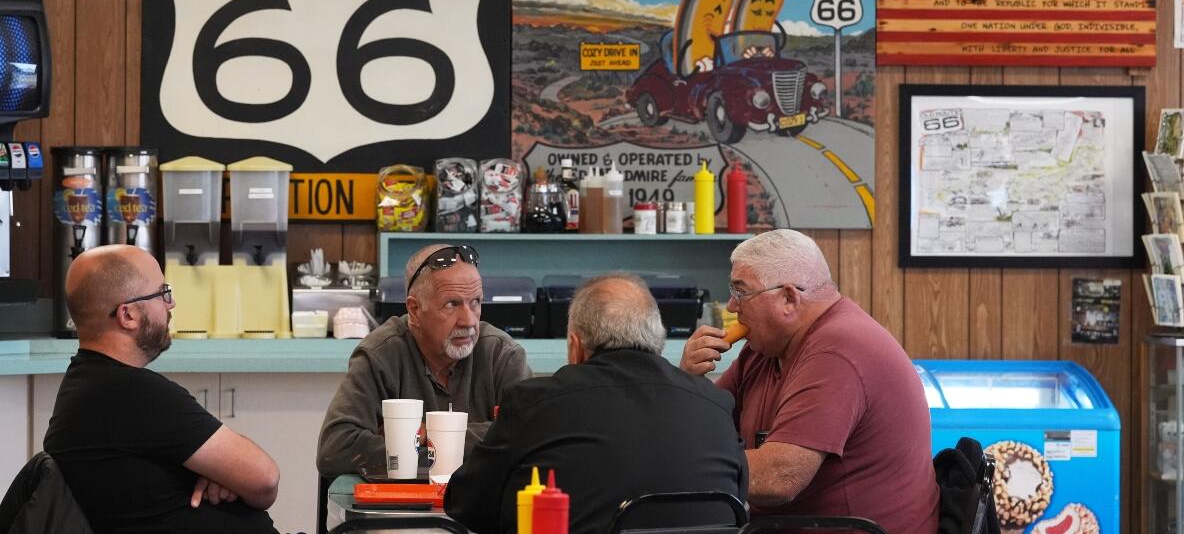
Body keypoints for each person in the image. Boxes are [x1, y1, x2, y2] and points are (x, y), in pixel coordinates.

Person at [680, 229, 939, 534]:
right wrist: (687, 383)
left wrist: (673, 467)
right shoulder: (763, 351)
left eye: (741, 292)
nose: (733, 307)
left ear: (789, 298)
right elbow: (705, 427)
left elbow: (779, 478)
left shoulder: (838, 350)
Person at [445, 274, 747, 534]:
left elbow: (467, 506)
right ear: (659, 341)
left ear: (576, 347)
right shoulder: (716, 405)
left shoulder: (534, 402)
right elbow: (738, 498)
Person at [42, 245, 280, 534]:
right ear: (127, 315)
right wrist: (225, 475)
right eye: (162, 293)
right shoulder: (132, 393)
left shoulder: (87, 384)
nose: (171, 304)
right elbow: (264, 480)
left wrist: (223, 474)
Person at [317, 243, 532, 476]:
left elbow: (531, 436)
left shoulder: (501, 355)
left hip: (483, 509)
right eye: (452, 304)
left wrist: (429, 434)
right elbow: (335, 449)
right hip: (401, 510)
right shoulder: (380, 355)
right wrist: (490, 439)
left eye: (475, 302)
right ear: (415, 310)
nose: (469, 321)